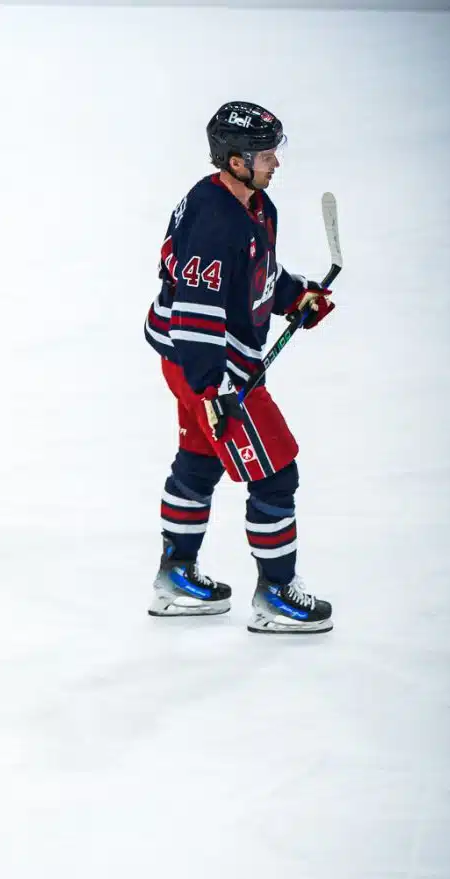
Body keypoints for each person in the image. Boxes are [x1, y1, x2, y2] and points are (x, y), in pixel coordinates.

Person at [143, 102, 335, 634]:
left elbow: (255, 272)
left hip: (198, 363)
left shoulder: (255, 206)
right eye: (266, 155)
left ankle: (175, 577)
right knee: (276, 473)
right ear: (235, 161)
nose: (276, 163)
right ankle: (276, 596)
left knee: (200, 460)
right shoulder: (214, 221)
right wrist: (214, 391)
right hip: (208, 366)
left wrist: (295, 296)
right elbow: (196, 311)